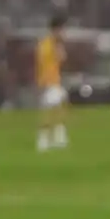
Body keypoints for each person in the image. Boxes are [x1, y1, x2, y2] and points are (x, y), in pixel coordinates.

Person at [35, 14, 69, 152]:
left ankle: (57, 137)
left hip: (54, 80)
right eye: (62, 29)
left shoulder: (47, 43)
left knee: (58, 109)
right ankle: (44, 140)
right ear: (56, 29)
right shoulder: (49, 43)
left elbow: (61, 59)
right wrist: (59, 44)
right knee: (49, 111)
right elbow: (59, 57)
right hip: (48, 81)